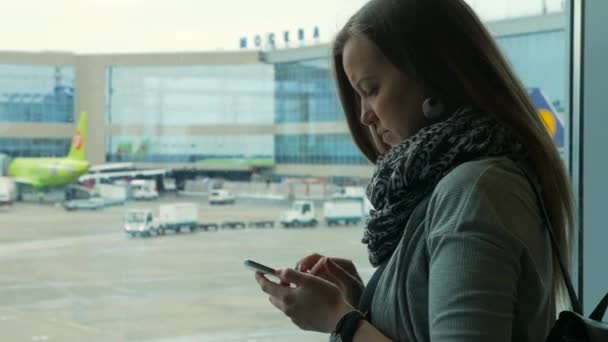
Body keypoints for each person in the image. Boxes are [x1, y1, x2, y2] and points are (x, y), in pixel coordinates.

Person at [254, 0, 574, 341]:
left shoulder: (474, 191)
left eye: (371, 90)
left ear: (432, 75)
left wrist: (340, 320)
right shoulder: (456, 185)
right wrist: (360, 300)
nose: (365, 116)